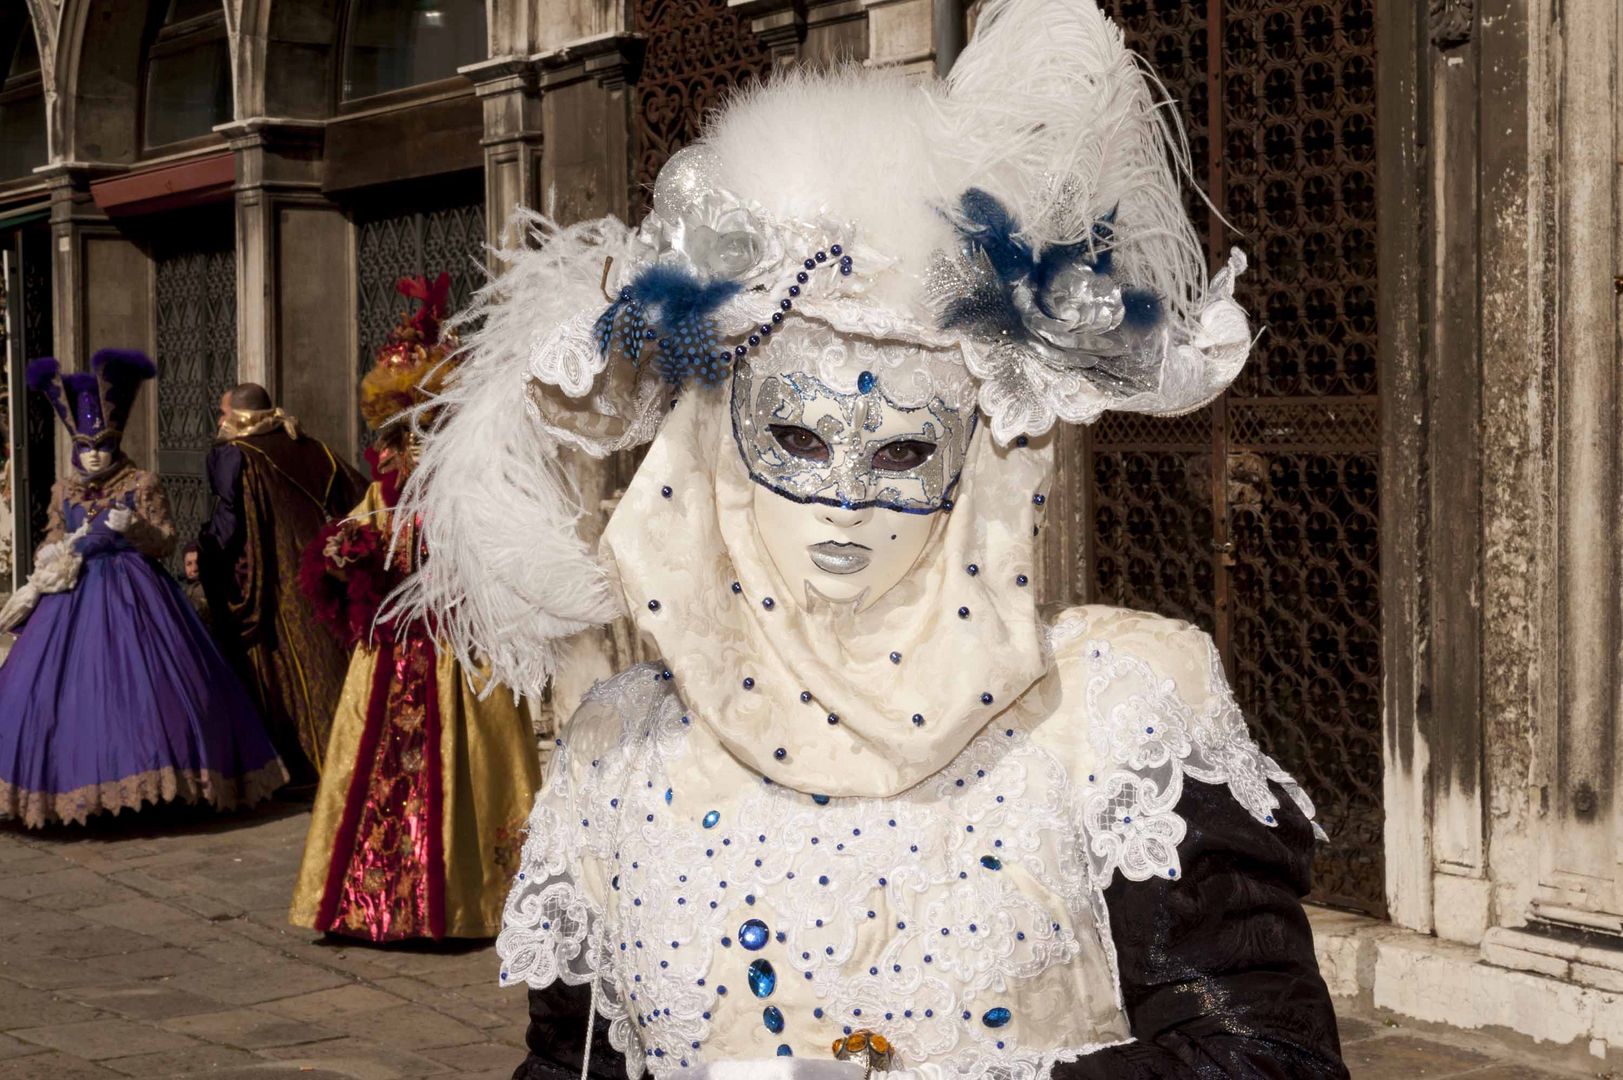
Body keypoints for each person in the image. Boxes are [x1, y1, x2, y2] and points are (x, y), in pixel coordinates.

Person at [389, 0, 1348, 1075]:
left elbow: (1267, 1060)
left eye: (898, 452)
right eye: (795, 436)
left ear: (977, 458)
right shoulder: (621, 754)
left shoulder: (1115, 717)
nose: (844, 504)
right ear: (713, 449)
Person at [287, 274, 540, 942]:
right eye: (402, 429)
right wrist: (352, 554)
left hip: (458, 649)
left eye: (426, 425)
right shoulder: (384, 492)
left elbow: (493, 557)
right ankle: (369, 902)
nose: (409, 444)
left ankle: (466, 900)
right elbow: (353, 540)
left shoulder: (474, 488)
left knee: (459, 774)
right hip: (394, 652)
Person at [0, 350, 285, 828]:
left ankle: (164, 787)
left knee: (148, 687)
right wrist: (52, 556)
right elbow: (50, 542)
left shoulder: (142, 482)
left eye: (104, 444)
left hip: (137, 596)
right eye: (86, 445)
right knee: (59, 695)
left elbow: (166, 543)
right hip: (70, 602)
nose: (94, 453)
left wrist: (134, 527)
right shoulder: (63, 491)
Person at [199, 381, 363, 783]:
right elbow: (360, 498)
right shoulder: (314, 448)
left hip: (273, 580)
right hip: (323, 575)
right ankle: (353, 754)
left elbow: (229, 524)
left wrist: (204, 553)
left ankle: (299, 767)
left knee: (284, 670)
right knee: (329, 660)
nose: (220, 422)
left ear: (239, 417)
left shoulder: (236, 455)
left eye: (223, 413)